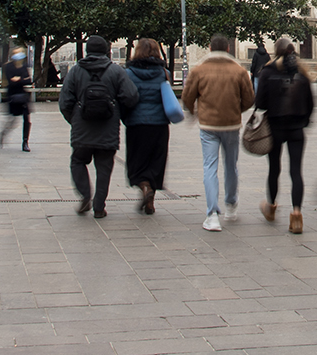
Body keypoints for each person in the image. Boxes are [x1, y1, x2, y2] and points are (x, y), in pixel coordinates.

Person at [58, 35, 138, 218]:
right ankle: (99, 206)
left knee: (77, 161)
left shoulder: (76, 71)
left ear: (87, 51)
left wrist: (75, 119)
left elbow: (64, 102)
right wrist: (118, 112)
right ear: (107, 51)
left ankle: (85, 194)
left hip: (82, 128)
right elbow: (131, 96)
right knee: (104, 167)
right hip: (108, 128)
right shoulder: (116, 71)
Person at [181, 35, 253, 231]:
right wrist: (237, 110)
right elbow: (249, 99)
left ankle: (212, 214)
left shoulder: (199, 70)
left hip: (208, 125)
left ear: (210, 48)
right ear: (228, 49)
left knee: (209, 167)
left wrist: (195, 111)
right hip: (231, 124)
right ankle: (231, 205)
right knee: (231, 166)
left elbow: (187, 96)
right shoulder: (239, 71)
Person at [255, 36, 314, 234]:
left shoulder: (268, 72)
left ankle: (271, 207)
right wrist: (303, 121)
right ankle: (296, 215)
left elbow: (260, 103)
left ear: (275, 51)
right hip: (296, 129)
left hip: (275, 127)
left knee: (274, 169)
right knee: (296, 172)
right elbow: (310, 103)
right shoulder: (302, 74)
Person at [122, 38, 173, 215]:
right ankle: (151, 196)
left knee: (137, 160)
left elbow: (125, 97)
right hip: (159, 124)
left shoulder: (128, 73)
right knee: (156, 160)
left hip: (137, 123)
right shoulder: (164, 73)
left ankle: (144, 186)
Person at [0, 45, 33, 151]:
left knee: (26, 118)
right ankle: (3, 133)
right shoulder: (8, 67)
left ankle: (25, 142)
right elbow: (10, 82)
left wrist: (19, 79)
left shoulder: (24, 66)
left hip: (22, 96)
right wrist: (21, 79)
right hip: (12, 96)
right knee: (12, 120)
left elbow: (29, 80)